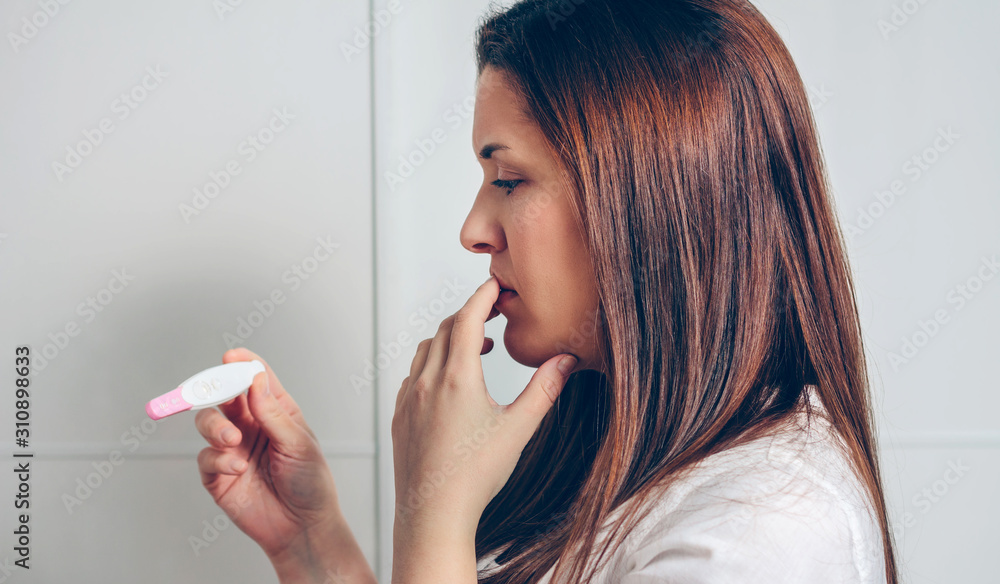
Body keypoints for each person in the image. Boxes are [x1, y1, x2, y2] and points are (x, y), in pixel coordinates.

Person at [194, 0, 901, 582]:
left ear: (647, 198)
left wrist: (432, 513)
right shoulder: (614, 445)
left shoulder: (762, 534)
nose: (474, 231)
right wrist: (311, 545)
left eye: (508, 180)